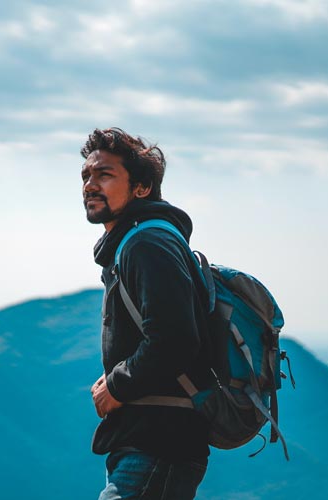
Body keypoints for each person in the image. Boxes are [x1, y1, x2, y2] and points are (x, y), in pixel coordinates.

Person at [82, 128, 212, 500]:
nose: (90, 185)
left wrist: (118, 385)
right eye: (86, 176)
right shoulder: (136, 243)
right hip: (147, 442)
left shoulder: (146, 243)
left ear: (141, 188)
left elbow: (175, 340)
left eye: (104, 175)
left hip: (158, 444)